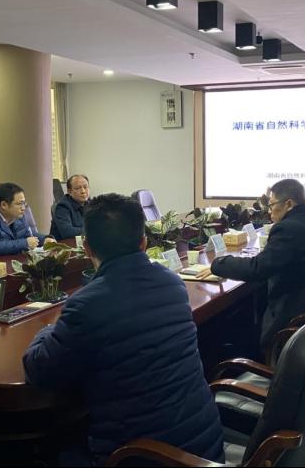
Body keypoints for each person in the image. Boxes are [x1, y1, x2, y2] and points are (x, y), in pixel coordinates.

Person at [23, 194, 224, 465]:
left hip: (141, 457)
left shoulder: (87, 304)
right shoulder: (173, 284)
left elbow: (40, 371)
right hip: (205, 450)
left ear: (87, 249)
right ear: (144, 243)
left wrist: (45, 330)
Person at [198, 179, 305, 351]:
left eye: (271, 205)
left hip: (298, 327)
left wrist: (218, 264)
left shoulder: (289, 228)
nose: (269, 211)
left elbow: (257, 268)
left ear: (289, 204)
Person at [50, 174, 89, 240]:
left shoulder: (91, 203)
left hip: (82, 243)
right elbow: (68, 232)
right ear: (69, 191)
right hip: (64, 244)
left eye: (85, 187)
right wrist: (92, 231)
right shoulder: (62, 207)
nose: (83, 191)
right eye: (77, 188)